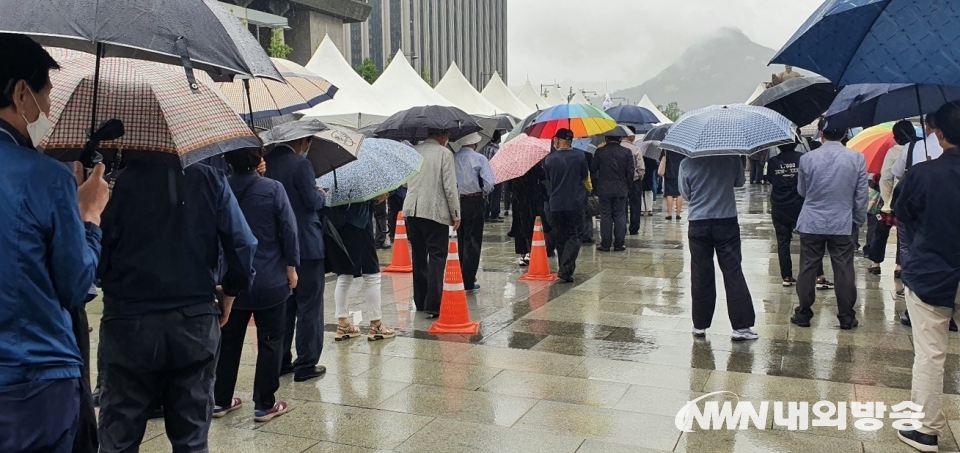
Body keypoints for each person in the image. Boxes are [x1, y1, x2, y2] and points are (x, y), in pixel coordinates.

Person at [97, 148, 257, 451]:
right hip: (194, 317)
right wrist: (232, 290)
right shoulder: (209, 178)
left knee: (118, 434)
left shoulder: (113, 185)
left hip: (127, 320)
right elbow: (243, 242)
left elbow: (95, 256)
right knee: (192, 437)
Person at [0, 35, 110, 453]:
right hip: (34, 381)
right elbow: (75, 283)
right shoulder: (46, 177)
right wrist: (89, 216)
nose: (47, 110)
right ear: (21, 93)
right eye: (46, 96)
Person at [894, 101, 960, 453]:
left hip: (931, 272)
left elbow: (903, 213)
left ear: (940, 132)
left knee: (930, 354)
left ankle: (926, 430)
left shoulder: (923, 173)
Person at [214, 147, 298, 422]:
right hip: (270, 279)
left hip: (231, 281)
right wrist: (291, 266)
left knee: (228, 342)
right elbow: (288, 229)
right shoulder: (273, 189)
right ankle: (264, 403)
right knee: (271, 341)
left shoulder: (220, 188)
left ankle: (221, 399)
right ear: (259, 160)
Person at [790, 119, 868, 330]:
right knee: (844, 269)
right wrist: (858, 219)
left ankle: (804, 312)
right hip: (843, 220)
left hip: (812, 220)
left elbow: (802, 191)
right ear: (844, 134)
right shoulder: (857, 158)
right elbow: (861, 195)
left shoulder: (807, 158)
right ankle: (846, 315)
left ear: (821, 132)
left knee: (808, 267)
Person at [264, 134, 328, 382]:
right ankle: (306, 363)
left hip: (276, 246)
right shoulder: (301, 164)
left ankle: (281, 361)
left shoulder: (265, 162)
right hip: (306, 245)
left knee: (285, 306)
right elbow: (311, 201)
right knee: (310, 306)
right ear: (303, 142)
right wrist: (321, 194)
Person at [679, 154, 757, 341]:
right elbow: (739, 182)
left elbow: (685, 194)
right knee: (733, 272)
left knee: (700, 272)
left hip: (698, 222)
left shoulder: (687, 162)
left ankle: (700, 324)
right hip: (726, 221)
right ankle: (741, 326)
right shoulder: (731, 158)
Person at [404, 129, 461, 317]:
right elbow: (449, 186)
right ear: (443, 136)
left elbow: (406, 182)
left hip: (412, 209)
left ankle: (420, 301)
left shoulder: (413, 151)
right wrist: (455, 213)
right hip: (434, 210)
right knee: (437, 255)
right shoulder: (445, 154)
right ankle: (433, 303)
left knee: (419, 255)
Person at [326, 197, 396, 341]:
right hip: (359, 222)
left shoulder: (329, 175)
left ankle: (343, 323)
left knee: (344, 275)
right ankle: (376, 324)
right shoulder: (360, 178)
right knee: (372, 274)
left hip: (337, 223)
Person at [866, 120, 914, 276]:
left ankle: (876, 263)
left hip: (893, 198)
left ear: (896, 136)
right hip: (911, 198)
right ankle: (899, 266)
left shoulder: (893, 151)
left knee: (881, 231)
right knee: (904, 233)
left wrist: (887, 201)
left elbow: (886, 178)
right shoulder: (919, 148)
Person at [543, 129, 589, 283]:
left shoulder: (549, 159)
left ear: (558, 140)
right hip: (575, 202)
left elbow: (548, 179)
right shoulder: (580, 156)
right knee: (575, 235)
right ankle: (565, 268)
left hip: (556, 203)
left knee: (560, 236)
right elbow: (584, 177)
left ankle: (564, 267)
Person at [453, 132, 495, 291]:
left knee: (462, 238)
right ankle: (468, 279)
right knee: (473, 241)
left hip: (458, 200)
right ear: (475, 144)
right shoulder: (480, 159)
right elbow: (489, 182)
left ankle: (463, 272)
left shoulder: (453, 158)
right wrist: (483, 191)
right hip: (475, 200)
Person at [591, 130, 634, 251]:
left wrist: (596, 184)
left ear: (606, 138)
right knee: (620, 215)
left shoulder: (600, 152)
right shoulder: (627, 152)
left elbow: (593, 169)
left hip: (604, 188)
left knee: (606, 216)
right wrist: (628, 186)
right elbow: (630, 172)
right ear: (620, 138)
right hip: (621, 188)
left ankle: (605, 244)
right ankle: (619, 244)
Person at [510, 163, 547, 266]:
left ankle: (522, 254)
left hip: (518, 200)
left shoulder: (513, 167)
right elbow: (542, 176)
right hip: (532, 199)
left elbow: (509, 185)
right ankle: (531, 251)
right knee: (532, 225)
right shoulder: (534, 164)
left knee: (519, 226)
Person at [621, 126, 646, 235]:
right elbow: (641, 167)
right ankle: (634, 227)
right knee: (635, 204)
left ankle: (622, 225)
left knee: (622, 204)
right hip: (635, 180)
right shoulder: (636, 149)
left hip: (621, 180)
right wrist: (639, 176)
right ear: (631, 136)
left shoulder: (619, 147)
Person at [482, 130, 505, 222]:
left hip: (487, 175)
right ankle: (494, 215)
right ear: (498, 139)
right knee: (496, 196)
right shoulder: (497, 150)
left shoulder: (486, 148)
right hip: (496, 175)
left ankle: (486, 215)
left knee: (488, 195)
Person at [661, 149, 687, 220]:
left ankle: (669, 214)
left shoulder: (667, 148)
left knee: (669, 194)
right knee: (679, 193)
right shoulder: (682, 149)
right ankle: (678, 214)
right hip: (680, 173)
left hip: (669, 173)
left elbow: (661, 158)